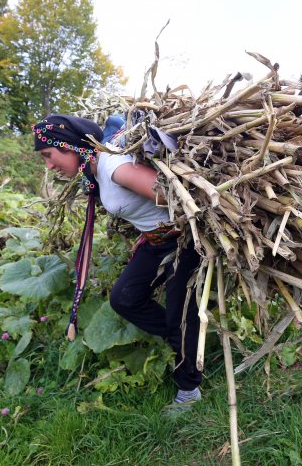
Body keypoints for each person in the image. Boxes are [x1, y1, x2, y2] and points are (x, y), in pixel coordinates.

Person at [32, 114, 202, 406]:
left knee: (180, 313)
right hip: (156, 242)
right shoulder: (95, 169)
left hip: (184, 239)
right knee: (124, 298)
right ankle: (185, 340)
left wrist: (176, 228)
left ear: (70, 145)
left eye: (49, 155)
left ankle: (189, 390)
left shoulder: (114, 168)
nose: (49, 165)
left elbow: (177, 195)